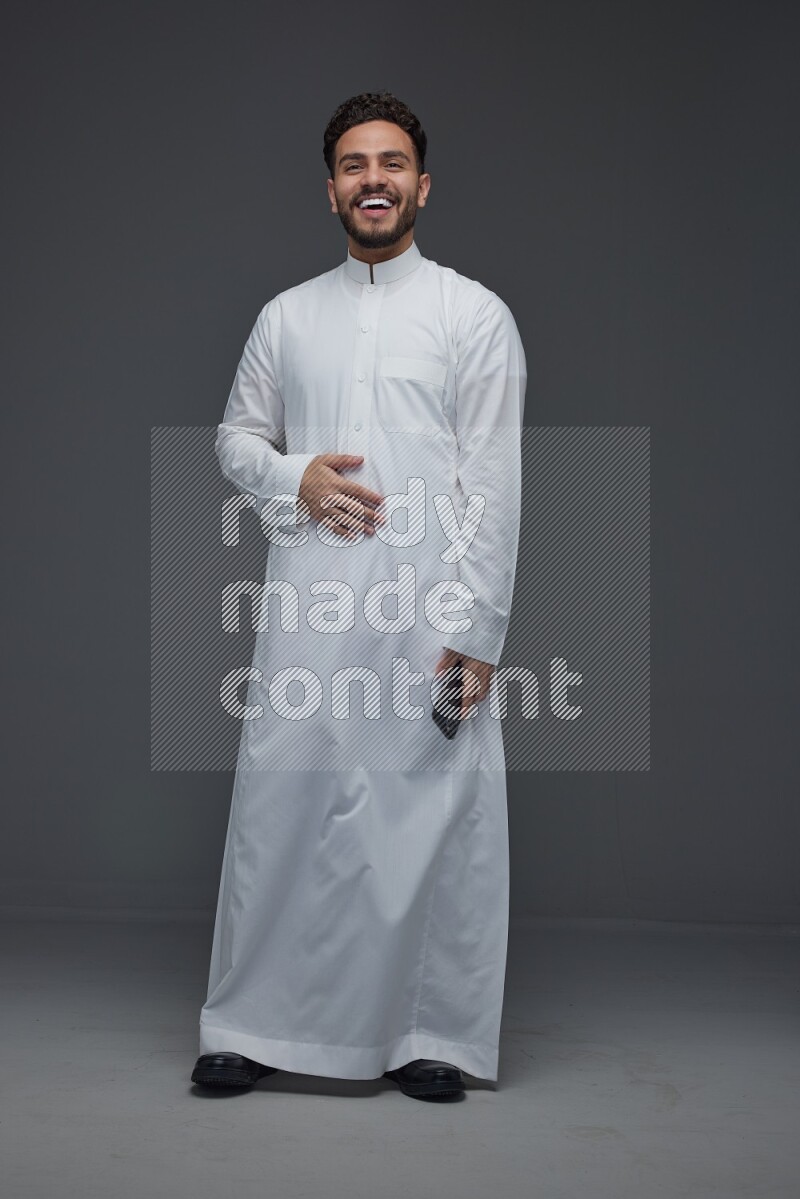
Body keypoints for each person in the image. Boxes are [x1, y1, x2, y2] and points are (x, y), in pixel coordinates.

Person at [191, 91, 527, 1101]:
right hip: (310, 605)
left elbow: (492, 480)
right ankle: (248, 1023)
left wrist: (477, 631)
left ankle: (428, 1033)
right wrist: (291, 475)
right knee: (282, 807)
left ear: (421, 186)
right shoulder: (287, 316)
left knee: (427, 814)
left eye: (390, 164)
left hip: (430, 609)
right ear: (330, 189)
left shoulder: (472, 314)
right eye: (352, 164)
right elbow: (235, 437)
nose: (372, 179)